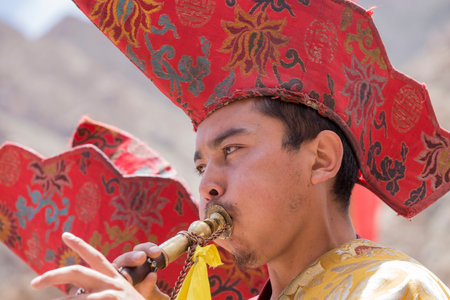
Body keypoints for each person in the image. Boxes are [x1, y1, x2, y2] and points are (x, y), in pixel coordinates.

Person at [31, 0, 450, 299]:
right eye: (200, 167)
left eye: (231, 150)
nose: (208, 187)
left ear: (321, 159)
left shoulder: (395, 288)